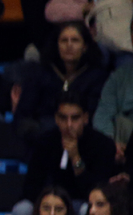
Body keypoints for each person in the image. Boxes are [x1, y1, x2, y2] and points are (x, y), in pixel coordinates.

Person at [15, 91, 117, 215]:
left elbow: (96, 192)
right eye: (63, 118)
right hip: (49, 201)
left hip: (79, 203)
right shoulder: (45, 142)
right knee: (22, 209)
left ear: (85, 118)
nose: (69, 125)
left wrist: (75, 158)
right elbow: (30, 187)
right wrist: (49, 203)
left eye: (75, 118)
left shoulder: (102, 145)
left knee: (87, 210)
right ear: (56, 119)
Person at [11, 21, 109, 151]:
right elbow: (23, 115)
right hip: (41, 142)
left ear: (85, 46)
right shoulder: (40, 74)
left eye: (75, 40)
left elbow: (94, 117)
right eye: (64, 40)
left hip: (82, 143)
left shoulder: (97, 77)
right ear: (57, 45)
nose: (69, 45)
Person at [92, 45, 133, 163]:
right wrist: (112, 145)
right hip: (124, 142)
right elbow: (103, 114)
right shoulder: (120, 75)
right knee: (120, 123)